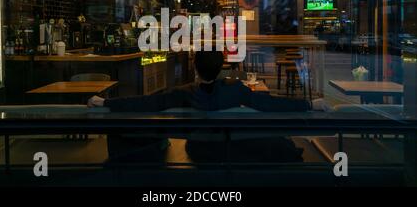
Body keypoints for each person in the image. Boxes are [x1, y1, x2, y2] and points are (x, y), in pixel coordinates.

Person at [88, 51, 330, 164]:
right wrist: (310, 103)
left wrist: (105, 102)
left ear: (195, 69)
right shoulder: (235, 90)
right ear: (220, 69)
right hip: (232, 149)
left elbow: (146, 102)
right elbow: (270, 104)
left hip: (200, 150)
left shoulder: (185, 93)